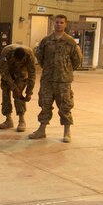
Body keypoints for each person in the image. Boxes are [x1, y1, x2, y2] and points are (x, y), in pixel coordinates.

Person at [28, 14, 83, 143]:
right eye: (57, 22)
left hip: (63, 80)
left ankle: (67, 131)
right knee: (45, 104)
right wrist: (48, 68)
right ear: (54, 23)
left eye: (61, 22)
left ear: (65, 24)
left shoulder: (70, 42)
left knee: (65, 105)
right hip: (48, 79)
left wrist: (66, 70)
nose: (59, 24)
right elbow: (40, 56)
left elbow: (77, 60)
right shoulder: (46, 41)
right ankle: (42, 129)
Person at [0, 44, 37, 132]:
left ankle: (21, 120)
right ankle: (8, 120)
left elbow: (32, 74)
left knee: (19, 96)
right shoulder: (6, 52)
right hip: (8, 73)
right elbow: (3, 71)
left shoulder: (29, 54)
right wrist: (13, 87)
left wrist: (29, 92)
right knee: (5, 95)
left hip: (21, 74)